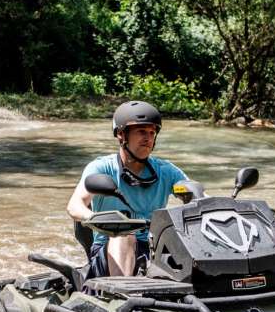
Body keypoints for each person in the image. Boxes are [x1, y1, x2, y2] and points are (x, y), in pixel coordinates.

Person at [67, 101, 188, 277]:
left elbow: (198, 198)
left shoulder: (166, 171)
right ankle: (122, 294)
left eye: (152, 132)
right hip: (109, 250)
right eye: (141, 132)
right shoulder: (102, 168)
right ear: (122, 135)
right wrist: (97, 219)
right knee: (124, 236)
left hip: (155, 251)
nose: (148, 138)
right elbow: (74, 205)